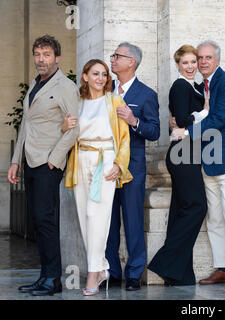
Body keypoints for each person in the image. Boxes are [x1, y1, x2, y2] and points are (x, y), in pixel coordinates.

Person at [171, 40, 225, 288]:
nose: (203, 62)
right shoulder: (202, 85)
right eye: (201, 58)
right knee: (215, 218)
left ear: (217, 59)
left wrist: (186, 133)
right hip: (207, 161)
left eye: (208, 57)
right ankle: (223, 267)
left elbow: (219, 119)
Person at [8, 35, 79, 296]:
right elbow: (26, 125)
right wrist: (16, 161)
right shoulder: (34, 85)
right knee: (38, 221)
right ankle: (44, 276)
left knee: (46, 221)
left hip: (48, 163)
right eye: (38, 54)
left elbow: (74, 128)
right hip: (31, 161)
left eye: (46, 54)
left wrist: (54, 160)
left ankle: (54, 280)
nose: (41, 59)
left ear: (57, 58)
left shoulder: (65, 86)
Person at [64, 59, 133, 296]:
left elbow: (124, 138)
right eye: (95, 74)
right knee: (85, 217)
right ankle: (102, 267)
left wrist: (119, 164)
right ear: (85, 76)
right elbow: (69, 134)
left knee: (97, 216)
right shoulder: (78, 103)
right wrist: (64, 128)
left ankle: (94, 273)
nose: (101, 78)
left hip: (105, 161)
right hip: (81, 159)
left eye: (104, 74)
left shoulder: (114, 101)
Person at [147, 45, 209, 286]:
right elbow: (182, 120)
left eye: (194, 62)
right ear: (178, 65)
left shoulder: (192, 86)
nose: (191, 66)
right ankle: (165, 262)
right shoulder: (180, 85)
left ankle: (179, 274)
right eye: (186, 63)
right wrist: (205, 112)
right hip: (182, 154)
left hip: (187, 152)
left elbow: (179, 122)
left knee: (181, 211)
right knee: (197, 207)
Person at [107, 42, 160, 291]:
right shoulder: (103, 89)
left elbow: (154, 132)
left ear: (132, 62)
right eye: (113, 55)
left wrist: (134, 120)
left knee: (133, 220)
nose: (112, 59)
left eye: (117, 56)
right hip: (106, 167)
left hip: (133, 169)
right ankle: (112, 271)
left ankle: (135, 273)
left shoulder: (146, 94)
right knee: (107, 221)